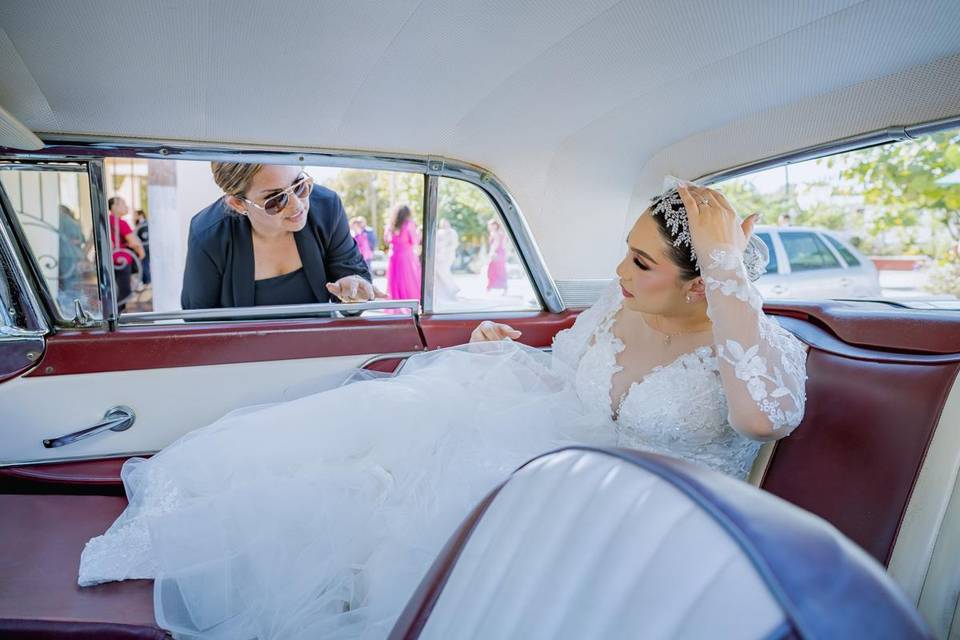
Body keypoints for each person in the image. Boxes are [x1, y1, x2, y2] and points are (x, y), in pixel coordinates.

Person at [78, 183, 807, 640]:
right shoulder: (616, 308)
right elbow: (566, 378)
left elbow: (761, 419)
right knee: (380, 464)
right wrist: (506, 350)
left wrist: (730, 270)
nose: (619, 273)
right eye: (627, 251)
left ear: (703, 283)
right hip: (560, 458)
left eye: (642, 264)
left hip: (652, 529)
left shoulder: (759, 353)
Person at [181, 163, 381, 309]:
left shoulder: (327, 208)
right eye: (275, 200)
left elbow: (352, 278)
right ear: (238, 204)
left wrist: (353, 293)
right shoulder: (207, 235)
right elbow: (199, 321)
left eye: (300, 185)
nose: (297, 205)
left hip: (319, 351)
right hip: (241, 359)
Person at [107, 197, 145, 311]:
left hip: (110, 260)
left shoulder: (106, 220)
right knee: (124, 293)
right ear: (114, 207)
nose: (126, 206)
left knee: (114, 291)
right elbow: (134, 242)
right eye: (123, 204)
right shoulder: (120, 222)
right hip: (122, 261)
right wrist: (141, 254)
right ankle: (118, 317)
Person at [385, 204, 421, 301]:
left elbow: (386, 239)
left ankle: (396, 301)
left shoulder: (391, 225)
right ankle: (409, 301)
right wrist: (418, 234)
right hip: (406, 255)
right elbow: (414, 240)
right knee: (408, 279)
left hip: (394, 255)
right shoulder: (409, 223)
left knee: (395, 280)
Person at [434, 218, 460, 302]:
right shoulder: (439, 232)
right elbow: (436, 243)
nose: (444, 225)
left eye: (445, 223)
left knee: (445, 271)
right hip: (439, 256)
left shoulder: (452, 232)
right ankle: (450, 288)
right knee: (442, 272)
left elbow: (454, 244)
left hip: (448, 255)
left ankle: (452, 288)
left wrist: (445, 250)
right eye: (442, 223)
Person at [486, 218, 508, 293]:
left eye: (491, 225)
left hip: (496, 252)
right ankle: (504, 288)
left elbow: (496, 243)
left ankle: (489, 288)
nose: (490, 227)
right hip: (501, 252)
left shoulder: (494, 233)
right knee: (500, 270)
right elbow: (504, 244)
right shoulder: (502, 233)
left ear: (495, 225)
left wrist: (492, 253)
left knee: (492, 270)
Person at [134, 209, 151, 286]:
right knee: (144, 265)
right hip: (143, 247)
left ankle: (147, 281)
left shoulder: (144, 224)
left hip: (145, 248)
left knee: (145, 265)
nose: (134, 216)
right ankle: (146, 281)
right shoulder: (139, 223)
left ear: (140, 215)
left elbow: (145, 236)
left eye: (136, 215)